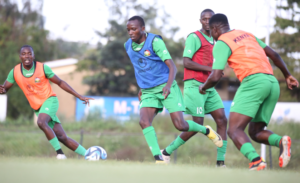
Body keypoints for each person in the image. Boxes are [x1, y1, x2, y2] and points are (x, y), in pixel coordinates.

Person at [199, 13, 299, 170]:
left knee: (233, 130)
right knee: (255, 131)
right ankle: (281, 141)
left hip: (253, 82)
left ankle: (256, 161)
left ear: (215, 29)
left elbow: (216, 75)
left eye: (211, 33)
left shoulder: (222, 42)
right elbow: (274, 54)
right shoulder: (247, 34)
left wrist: (203, 87)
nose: (212, 37)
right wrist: (287, 75)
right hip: (272, 83)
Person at [124, 15, 223, 163]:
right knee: (144, 121)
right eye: (128, 30)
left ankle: (206, 130)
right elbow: (139, 67)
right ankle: (159, 159)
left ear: (143, 29)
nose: (131, 32)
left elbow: (173, 67)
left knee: (181, 125)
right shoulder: (127, 46)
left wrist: (168, 85)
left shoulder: (155, 42)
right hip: (148, 91)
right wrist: (141, 87)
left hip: (166, 85)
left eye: (134, 29)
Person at [0, 45, 93, 159]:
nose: (27, 56)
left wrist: (79, 95)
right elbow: (4, 89)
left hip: (50, 100)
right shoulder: (15, 72)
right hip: (38, 108)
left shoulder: (43, 68)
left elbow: (60, 82)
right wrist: (2, 90)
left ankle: (60, 154)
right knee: (62, 137)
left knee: (41, 122)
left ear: (33, 56)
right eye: (24, 54)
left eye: (29, 53)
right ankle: (89, 155)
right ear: (20, 57)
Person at [161, 9, 228, 167]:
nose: (206, 22)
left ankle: (220, 163)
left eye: (209, 19)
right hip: (194, 85)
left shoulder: (215, 40)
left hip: (208, 86)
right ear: (200, 21)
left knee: (222, 120)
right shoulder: (194, 37)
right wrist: (210, 70)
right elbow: (186, 62)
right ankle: (166, 152)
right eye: (203, 19)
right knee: (197, 124)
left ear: (214, 23)